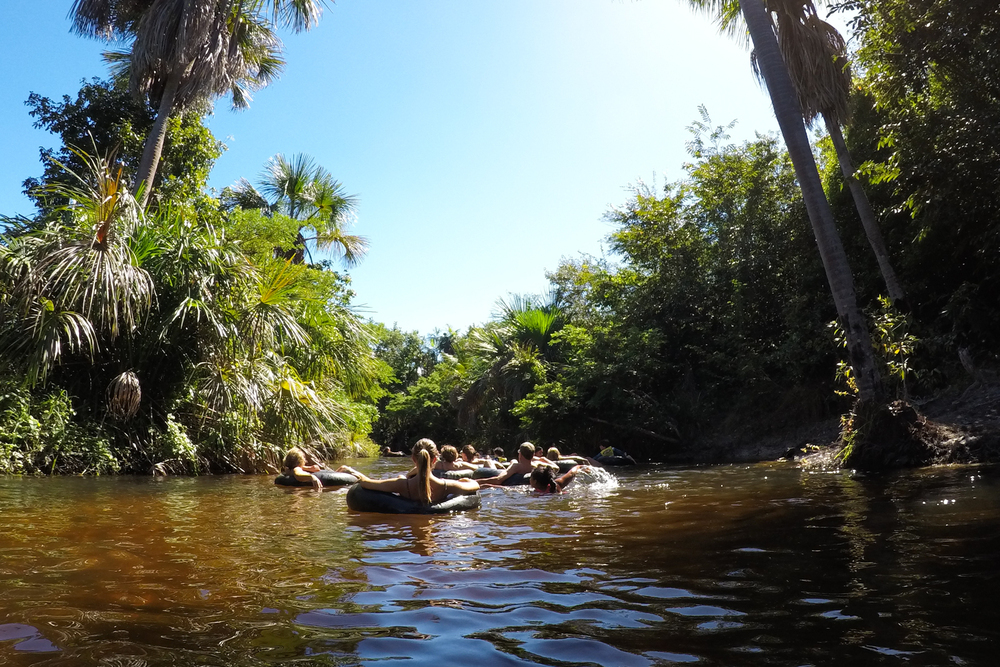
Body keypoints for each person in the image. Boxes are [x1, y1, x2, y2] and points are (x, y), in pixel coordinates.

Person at [338, 439, 479, 506]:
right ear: (435, 459)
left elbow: (367, 483)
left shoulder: (400, 485)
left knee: (400, 476)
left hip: (406, 490)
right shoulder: (446, 486)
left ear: (413, 458)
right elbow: (475, 486)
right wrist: (465, 481)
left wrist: (352, 471)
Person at [479, 442, 550, 487]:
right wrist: (543, 459)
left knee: (488, 462)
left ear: (520, 454)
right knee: (513, 461)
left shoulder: (516, 467)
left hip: (507, 479)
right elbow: (556, 468)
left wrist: (476, 481)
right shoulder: (536, 466)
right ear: (533, 455)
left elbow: (498, 480)